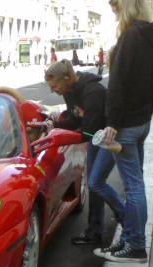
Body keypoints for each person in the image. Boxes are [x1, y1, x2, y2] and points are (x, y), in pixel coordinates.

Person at [92, 0, 153, 263]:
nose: (113, 12)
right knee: (134, 185)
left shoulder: (131, 35)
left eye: (114, 7)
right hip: (141, 121)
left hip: (126, 125)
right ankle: (129, 239)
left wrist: (113, 121)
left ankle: (135, 245)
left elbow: (118, 83)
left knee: (133, 187)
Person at [45, 59, 122, 246]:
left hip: (108, 139)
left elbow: (88, 129)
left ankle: (125, 215)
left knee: (95, 183)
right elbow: (74, 119)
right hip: (96, 137)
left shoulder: (92, 92)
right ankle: (95, 231)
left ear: (68, 78)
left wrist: (63, 136)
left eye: (55, 86)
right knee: (94, 185)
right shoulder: (70, 90)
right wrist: (53, 125)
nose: (53, 91)